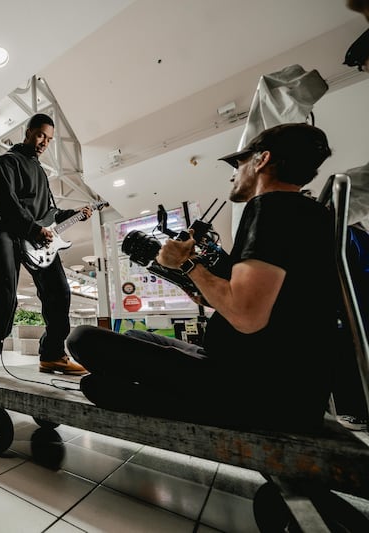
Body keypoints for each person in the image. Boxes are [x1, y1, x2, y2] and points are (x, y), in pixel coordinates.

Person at [66, 122, 339, 433]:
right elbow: (259, 303)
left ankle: (178, 401)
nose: (234, 174)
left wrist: (185, 265)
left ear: (262, 161)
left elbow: (247, 315)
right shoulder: (307, 212)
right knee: (134, 338)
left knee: (82, 340)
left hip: (254, 390)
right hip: (273, 380)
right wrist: (199, 279)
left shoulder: (271, 207)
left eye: (239, 164)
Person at [0, 113, 93, 381]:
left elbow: (49, 213)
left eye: (49, 139)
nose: (44, 142)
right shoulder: (8, 161)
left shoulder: (40, 171)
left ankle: (51, 355)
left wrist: (75, 213)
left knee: (59, 293)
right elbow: (5, 201)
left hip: (39, 236)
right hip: (8, 230)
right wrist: (33, 229)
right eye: (40, 135)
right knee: (3, 289)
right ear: (28, 132)